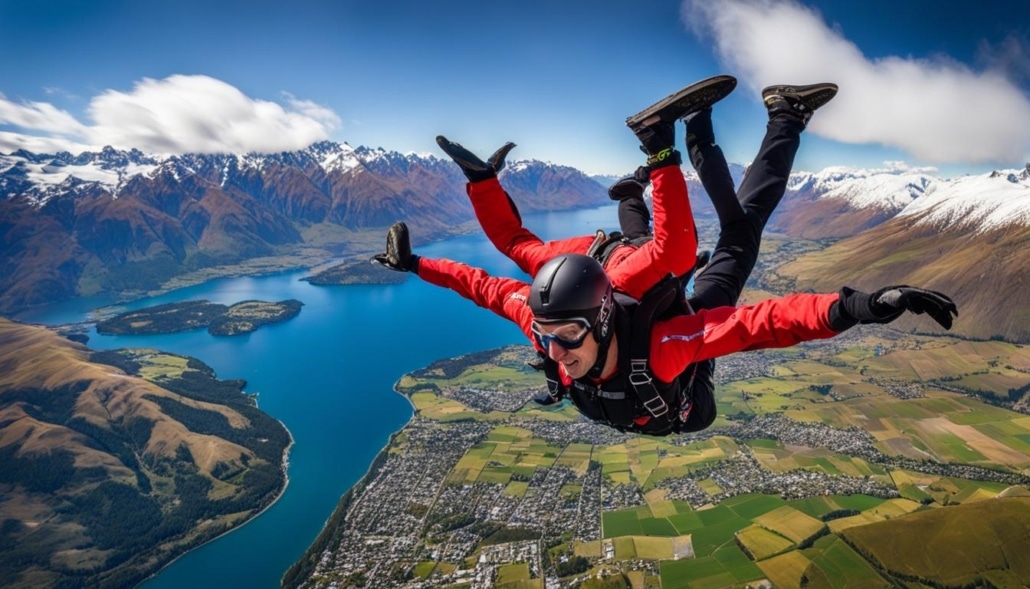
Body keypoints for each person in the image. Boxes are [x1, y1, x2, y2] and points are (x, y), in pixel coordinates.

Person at [373, 82, 959, 436]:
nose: (553, 351)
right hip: (624, 264)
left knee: (735, 240)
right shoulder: (546, 318)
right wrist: (416, 264)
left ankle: (748, 126)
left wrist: (858, 306)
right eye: (547, 338)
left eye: (566, 338)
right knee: (718, 240)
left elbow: (759, 324)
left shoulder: (663, 348)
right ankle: (695, 143)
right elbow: (483, 283)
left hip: (656, 313)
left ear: (602, 316)